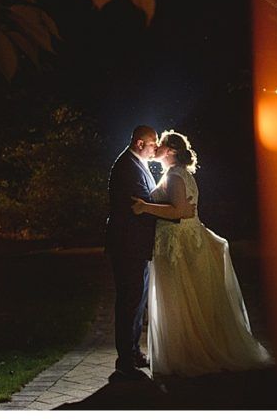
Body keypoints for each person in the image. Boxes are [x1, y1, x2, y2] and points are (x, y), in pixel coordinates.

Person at [131, 130, 273, 377]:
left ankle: (188, 353)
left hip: (177, 245)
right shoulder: (174, 174)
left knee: (180, 298)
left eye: (161, 145)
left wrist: (144, 207)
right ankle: (185, 349)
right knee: (182, 299)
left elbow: (180, 212)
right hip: (177, 241)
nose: (156, 149)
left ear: (172, 151)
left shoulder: (175, 176)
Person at [105, 125, 161, 379]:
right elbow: (140, 204)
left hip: (136, 245)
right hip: (128, 245)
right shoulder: (127, 167)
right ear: (140, 143)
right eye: (153, 144)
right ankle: (125, 358)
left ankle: (132, 351)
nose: (155, 149)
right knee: (130, 299)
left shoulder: (136, 163)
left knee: (136, 300)